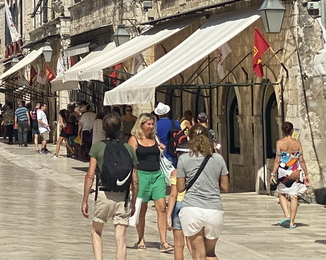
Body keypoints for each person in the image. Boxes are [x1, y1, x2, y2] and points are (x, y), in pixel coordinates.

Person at [81, 111, 138, 260]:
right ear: (120, 128)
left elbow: (90, 175)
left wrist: (85, 200)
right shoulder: (129, 149)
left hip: (103, 195)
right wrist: (133, 201)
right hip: (123, 196)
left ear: (104, 129)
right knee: (120, 238)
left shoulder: (98, 147)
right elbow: (135, 179)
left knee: (96, 232)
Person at [176, 128, 229, 260]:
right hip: (214, 209)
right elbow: (225, 187)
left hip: (192, 209)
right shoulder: (218, 158)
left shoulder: (183, 159)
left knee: (198, 253)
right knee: (210, 253)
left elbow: (180, 188)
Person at [128, 113, 170, 252]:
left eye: (153, 124)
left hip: (157, 175)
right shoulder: (134, 140)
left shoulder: (155, 138)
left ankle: (163, 241)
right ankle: (141, 239)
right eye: (149, 124)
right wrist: (131, 181)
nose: (151, 127)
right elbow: (130, 161)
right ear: (141, 125)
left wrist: (161, 148)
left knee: (162, 207)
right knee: (142, 209)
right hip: (142, 176)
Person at [272, 121, 309, 228]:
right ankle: (292, 221)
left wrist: (272, 173)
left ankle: (286, 215)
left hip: (284, 171)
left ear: (282, 130)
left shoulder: (279, 143)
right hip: (295, 171)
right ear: (292, 130)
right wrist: (306, 173)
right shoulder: (297, 143)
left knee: (281, 193)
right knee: (294, 196)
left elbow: (277, 160)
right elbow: (301, 160)